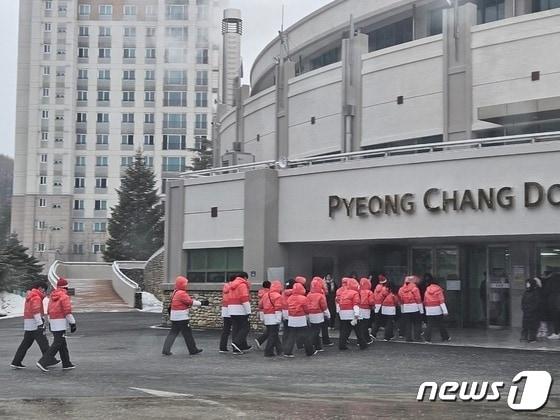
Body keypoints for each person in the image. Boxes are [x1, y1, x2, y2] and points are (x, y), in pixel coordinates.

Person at [11, 281, 59, 369]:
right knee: (44, 343)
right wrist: (40, 324)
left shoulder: (30, 296)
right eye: (44, 290)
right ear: (40, 288)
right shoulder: (36, 297)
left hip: (29, 324)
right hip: (35, 324)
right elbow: (36, 311)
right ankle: (49, 359)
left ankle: (16, 361)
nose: (44, 292)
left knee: (25, 345)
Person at [36, 278, 77, 372]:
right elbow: (67, 311)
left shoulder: (52, 296)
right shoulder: (64, 296)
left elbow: (49, 311)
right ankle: (43, 362)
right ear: (65, 287)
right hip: (61, 322)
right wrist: (72, 323)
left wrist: (50, 322)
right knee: (57, 343)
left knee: (62, 343)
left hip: (54, 322)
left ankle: (66, 363)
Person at [162, 276, 207, 356]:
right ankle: (193, 350)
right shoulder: (182, 293)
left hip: (174, 317)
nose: (186, 285)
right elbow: (190, 302)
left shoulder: (175, 292)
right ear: (181, 284)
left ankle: (166, 349)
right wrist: (202, 303)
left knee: (173, 333)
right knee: (187, 334)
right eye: (185, 284)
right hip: (182, 317)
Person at [283, 283, 316, 357]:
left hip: (291, 318)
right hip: (300, 318)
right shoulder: (303, 298)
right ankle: (309, 351)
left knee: (291, 335)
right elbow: (306, 309)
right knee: (305, 335)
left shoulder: (290, 298)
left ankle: (287, 351)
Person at [228, 273, 252, 354]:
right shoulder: (242, 285)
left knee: (236, 328)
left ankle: (237, 347)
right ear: (245, 277)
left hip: (231, 309)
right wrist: (249, 311)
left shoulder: (232, 285)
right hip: (240, 309)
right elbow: (244, 298)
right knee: (246, 327)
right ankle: (237, 343)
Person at [260, 280, 283, 357]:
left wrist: (262, 317)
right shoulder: (278, 296)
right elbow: (278, 308)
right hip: (273, 317)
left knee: (273, 334)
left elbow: (260, 305)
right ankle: (268, 351)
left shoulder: (265, 295)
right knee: (273, 335)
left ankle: (280, 350)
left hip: (267, 316)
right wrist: (278, 319)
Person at [307, 277, 331, 352]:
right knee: (316, 331)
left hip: (310, 314)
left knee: (314, 330)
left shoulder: (309, 294)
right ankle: (310, 346)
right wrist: (328, 314)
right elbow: (324, 306)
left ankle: (318, 346)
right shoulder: (320, 295)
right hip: (318, 314)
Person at [337, 277, 361, 350]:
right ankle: (363, 344)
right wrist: (356, 315)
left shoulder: (343, 292)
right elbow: (356, 304)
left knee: (344, 330)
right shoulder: (355, 293)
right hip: (351, 313)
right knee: (358, 330)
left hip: (343, 312)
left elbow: (339, 302)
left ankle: (342, 345)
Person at [423, 278, 450, 343]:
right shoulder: (439, 290)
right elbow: (441, 301)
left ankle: (427, 339)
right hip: (437, 309)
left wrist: (426, 309)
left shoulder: (427, 291)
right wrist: (445, 311)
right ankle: (445, 337)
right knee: (440, 324)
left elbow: (425, 301)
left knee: (429, 324)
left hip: (429, 309)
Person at [398, 275, 423, 342]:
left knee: (408, 323)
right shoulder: (415, 289)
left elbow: (400, 300)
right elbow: (418, 299)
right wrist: (421, 310)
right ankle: (417, 337)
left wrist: (402, 309)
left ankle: (408, 338)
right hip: (414, 307)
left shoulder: (401, 289)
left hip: (406, 307)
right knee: (417, 323)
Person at [521, 277, 543, 343]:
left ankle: (532, 338)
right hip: (527, 312)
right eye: (527, 283)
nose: (527, 284)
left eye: (528, 283)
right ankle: (524, 337)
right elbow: (522, 301)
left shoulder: (536, 292)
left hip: (533, 312)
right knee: (525, 325)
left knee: (532, 326)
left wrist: (530, 309)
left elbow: (537, 303)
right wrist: (524, 308)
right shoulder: (526, 292)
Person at [219, 275, 234, 353]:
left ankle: (222, 347)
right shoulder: (234, 287)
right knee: (236, 328)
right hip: (232, 308)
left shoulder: (225, 286)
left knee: (226, 329)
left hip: (225, 309)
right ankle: (236, 345)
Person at [358, 277, 375, 347]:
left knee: (360, 325)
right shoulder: (369, 292)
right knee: (365, 325)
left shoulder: (358, 291)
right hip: (366, 309)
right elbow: (371, 301)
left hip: (359, 308)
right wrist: (373, 306)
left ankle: (360, 340)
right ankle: (366, 339)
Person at [255, 280, 272, 349]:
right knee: (271, 329)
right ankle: (260, 340)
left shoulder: (260, 292)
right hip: (267, 311)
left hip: (261, 311)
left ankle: (262, 340)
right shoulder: (269, 293)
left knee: (268, 328)